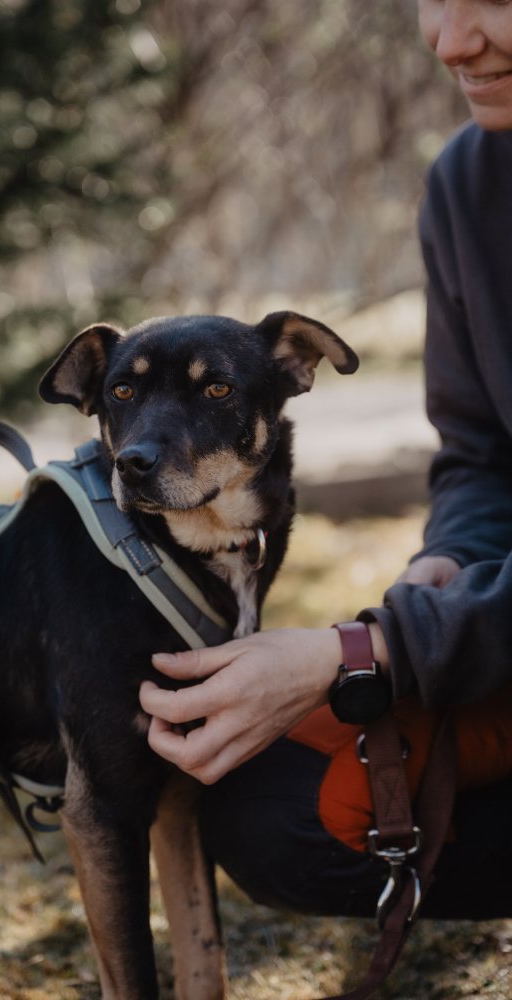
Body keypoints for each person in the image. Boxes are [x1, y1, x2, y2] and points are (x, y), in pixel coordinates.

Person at [139, 0, 512, 920]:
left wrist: (373, 650)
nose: (452, 42)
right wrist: (454, 560)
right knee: (270, 815)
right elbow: (478, 456)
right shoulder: (468, 183)